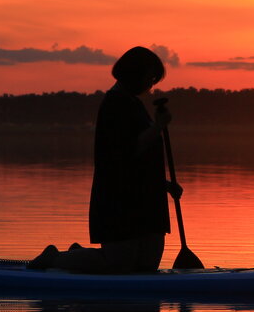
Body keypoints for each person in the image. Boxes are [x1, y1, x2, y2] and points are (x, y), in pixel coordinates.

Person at [30, 46, 183, 273]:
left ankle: (78, 254)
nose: (151, 84)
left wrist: (165, 185)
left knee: (147, 266)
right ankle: (55, 259)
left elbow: (144, 158)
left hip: (148, 197)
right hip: (120, 197)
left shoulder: (134, 104)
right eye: (149, 77)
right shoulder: (115, 104)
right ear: (134, 73)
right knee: (118, 264)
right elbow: (127, 150)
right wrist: (159, 127)